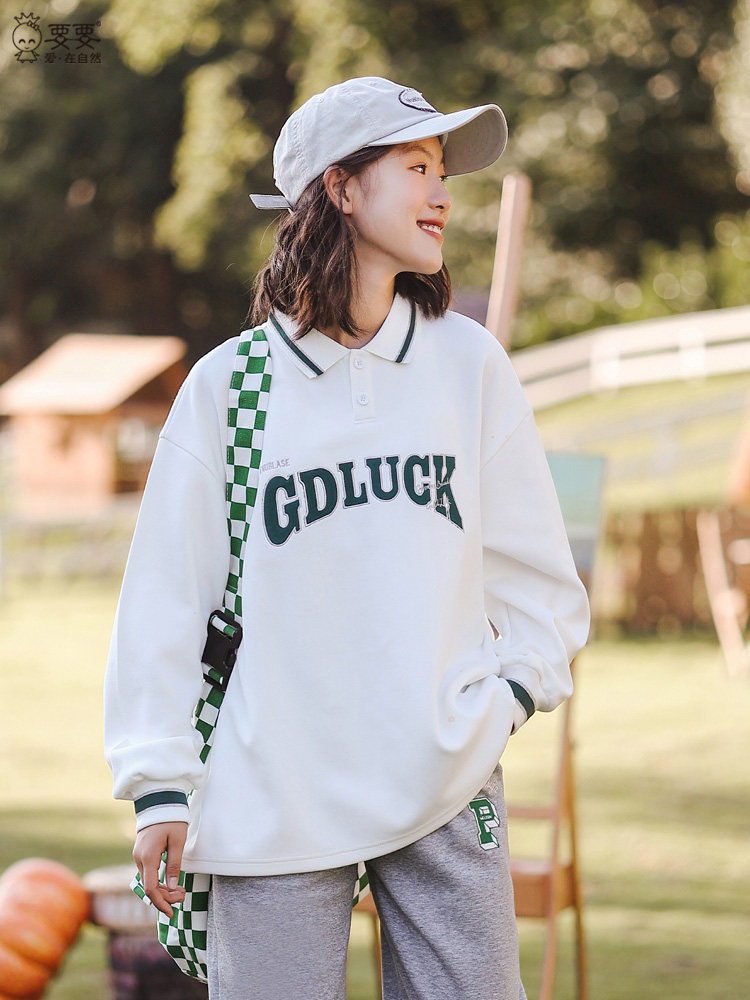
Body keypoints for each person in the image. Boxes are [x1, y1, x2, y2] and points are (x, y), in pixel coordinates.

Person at [104, 76, 590, 1000]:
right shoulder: (232, 388)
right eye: (415, 167)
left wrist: (501, 702)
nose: (441, 194)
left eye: (441, 171)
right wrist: (158, 784)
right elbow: (165, 601)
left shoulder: (469, 365)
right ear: (340, 187)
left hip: (445, 782)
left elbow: (540, 583)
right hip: (274, 790)